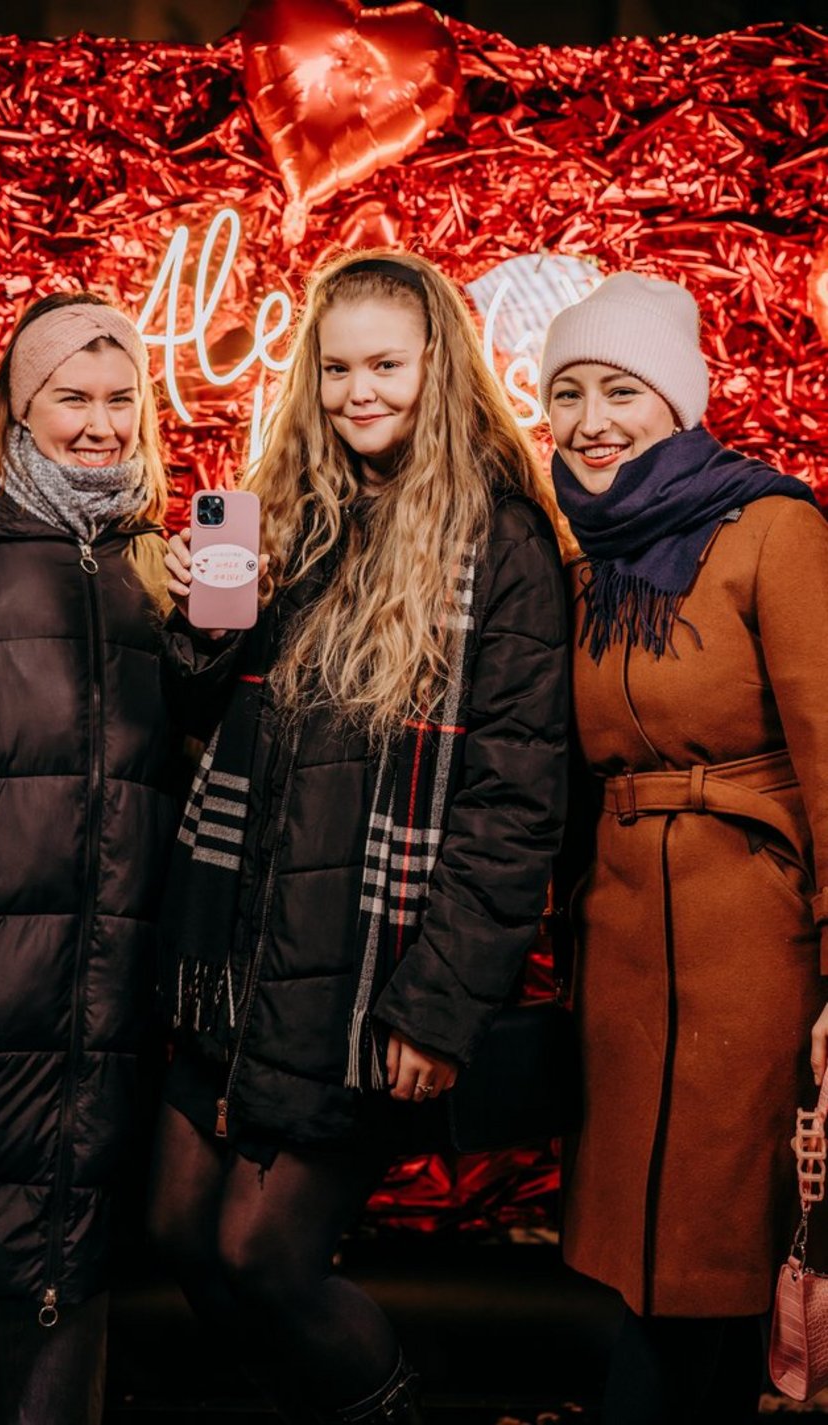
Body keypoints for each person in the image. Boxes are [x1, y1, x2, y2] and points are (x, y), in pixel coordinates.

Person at [148, 250, 570, 1424]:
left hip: (359, 975)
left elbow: (514, 805)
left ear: (437, 367)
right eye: (335, 369)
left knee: (262, 1256)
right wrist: (199, 622)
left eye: (384, 364)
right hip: (236, 949)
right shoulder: (297, 518)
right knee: (176, 1231)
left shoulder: (504, 546)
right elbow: (196, 721)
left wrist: (435, 1005)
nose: (357, 392)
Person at [0, 292, 183, 1424]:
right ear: (19, 404)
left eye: (119, 400)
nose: (100, 424)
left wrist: (207, 643)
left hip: (89, 1015)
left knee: (59, 1273)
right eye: (72, 398)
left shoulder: (152, 565)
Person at [539, 271, 828, 1425]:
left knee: (723, 1256)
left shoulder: (773, 529)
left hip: (751, 945)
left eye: (620, 389)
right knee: (640, 1262)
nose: (591, 419)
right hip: (620, 954)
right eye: (566, 393)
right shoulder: (582, 562)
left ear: (677, 405)